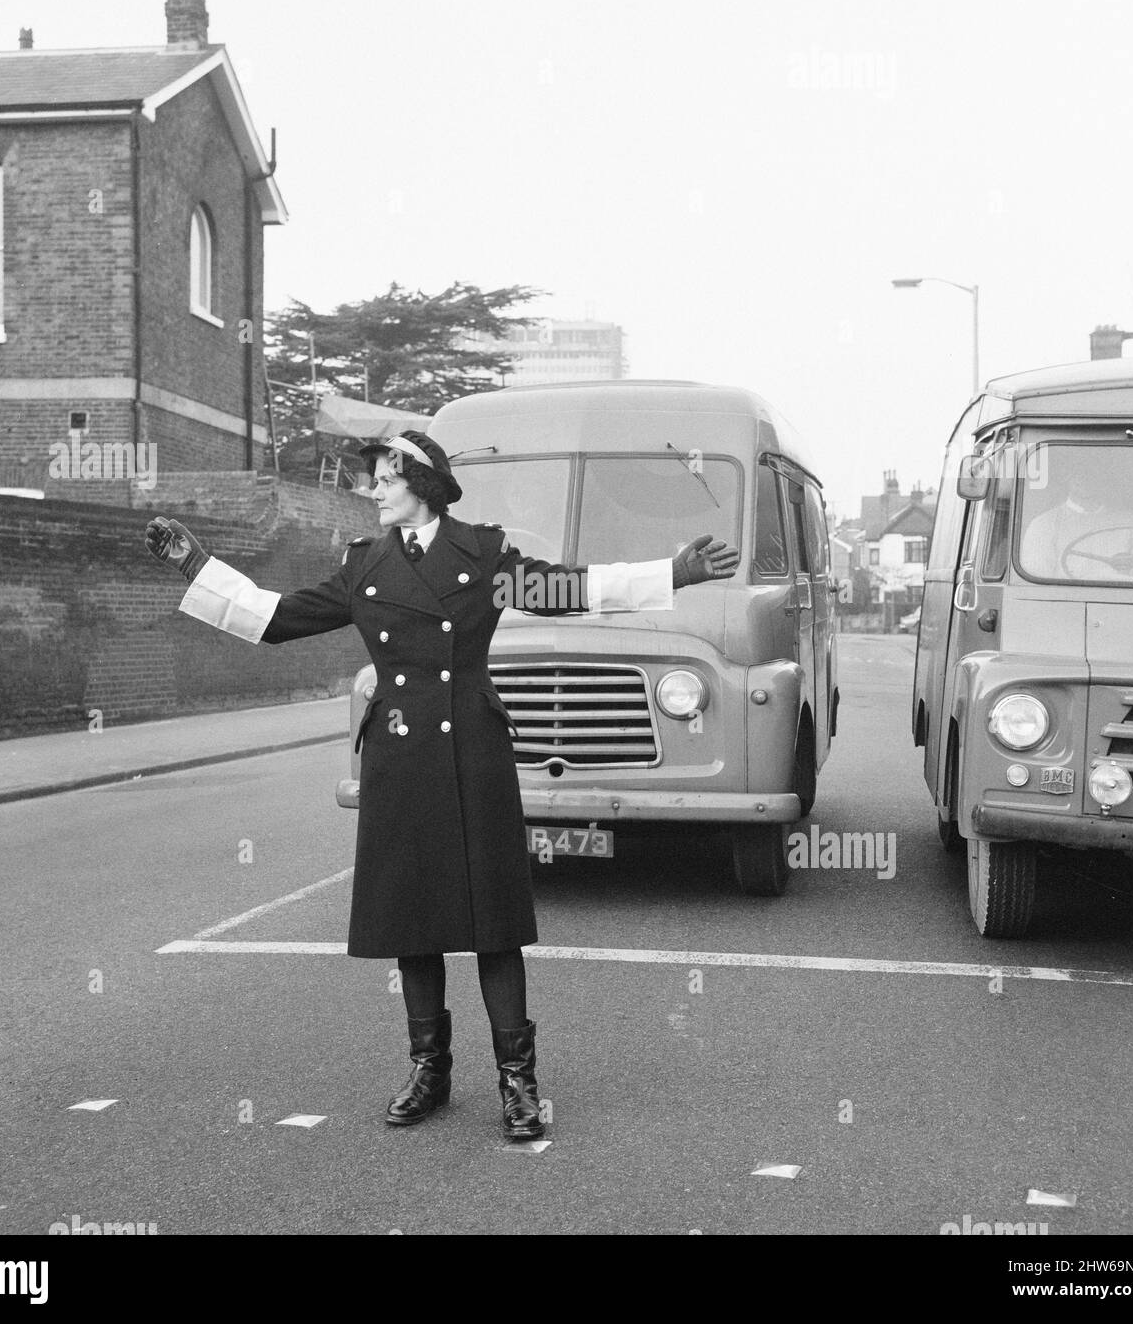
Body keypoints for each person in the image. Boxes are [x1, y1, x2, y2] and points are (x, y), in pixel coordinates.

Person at [144, 429, 738, 1140]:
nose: (372, 490)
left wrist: (673, 571)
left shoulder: (483, 556)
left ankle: (519, 1084)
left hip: (472, 754)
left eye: (384, 479)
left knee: (493, 922)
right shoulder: (364, 567)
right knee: (411, 918)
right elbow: (276, 619)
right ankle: (430, 1070)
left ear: (419, 484)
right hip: (400, 756)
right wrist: (197, 566)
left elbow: (568, 589)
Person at [1019, 474, 1133, 582]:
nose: (1083, 476)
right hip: (1067, 607)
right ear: (1066, 476)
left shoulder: (1130, 524)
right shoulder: (1044, 524)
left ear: (1103, 475)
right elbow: (1038, 581)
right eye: (1076, 468)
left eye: (1091, 469)